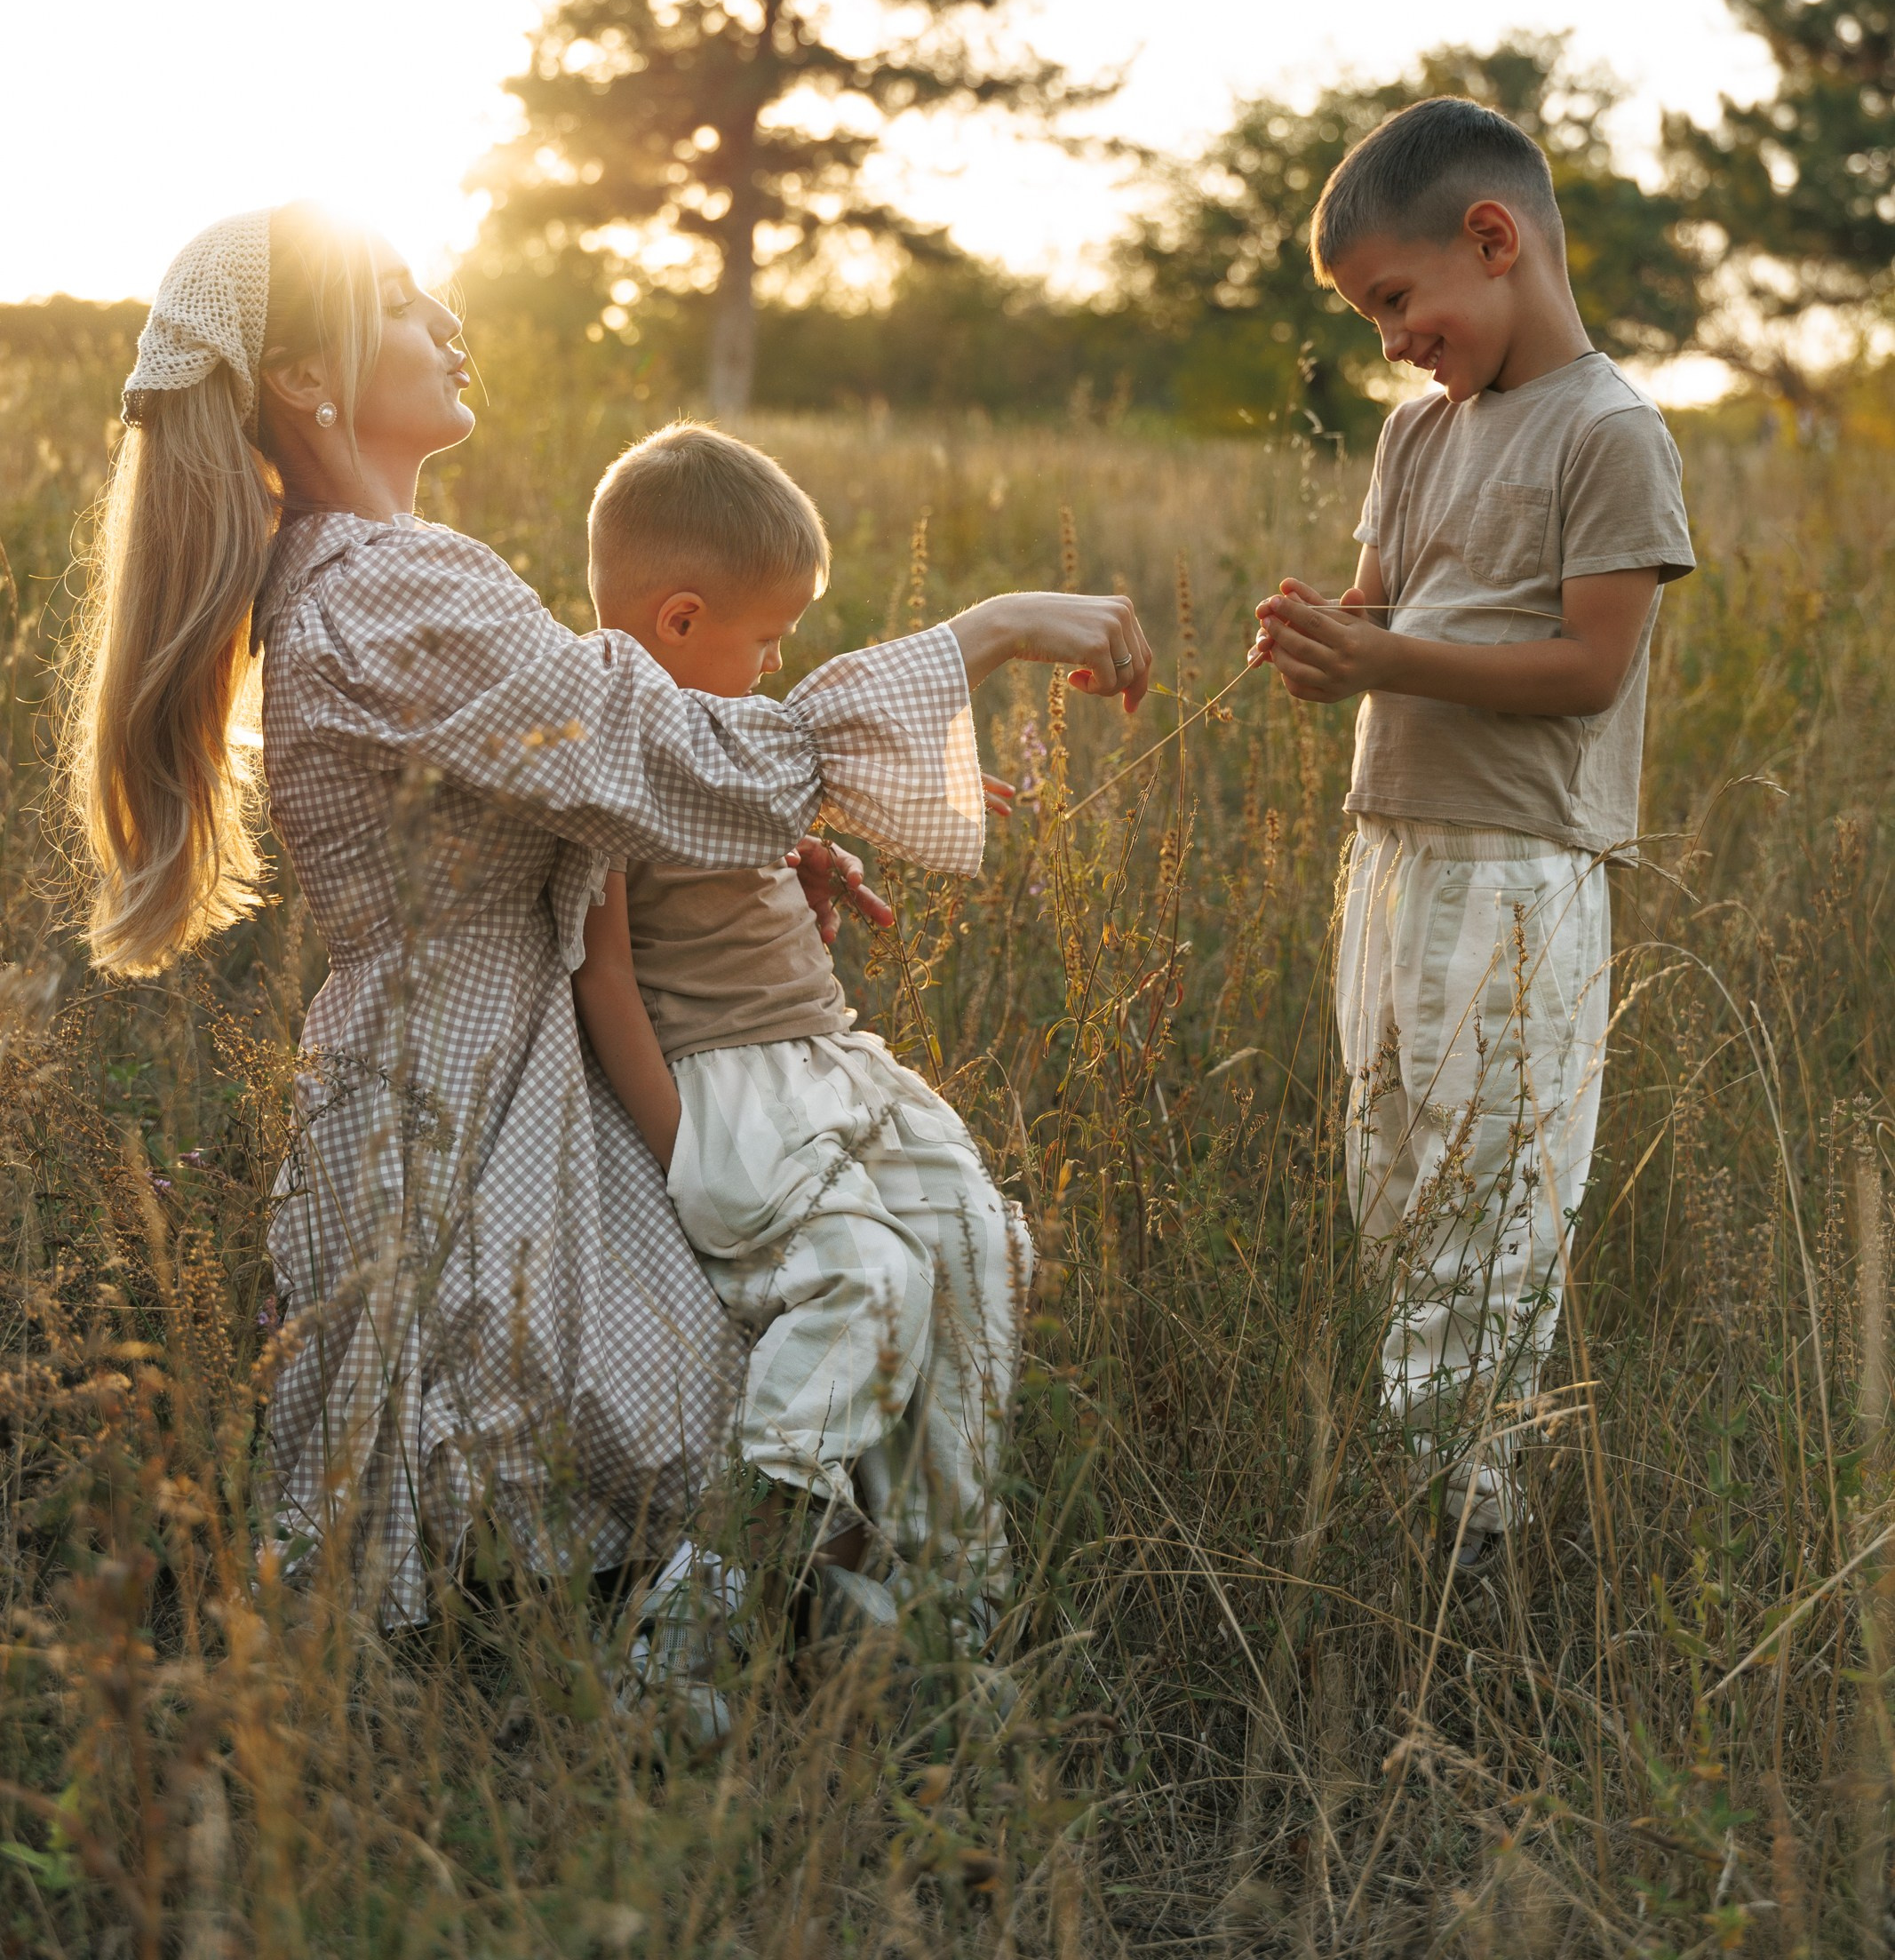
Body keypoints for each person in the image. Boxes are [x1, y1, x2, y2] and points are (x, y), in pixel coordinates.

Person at [61, 203, 1154, 1627]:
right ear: (308, 382)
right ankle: (706, 1660)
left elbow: (579, 801)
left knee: (748, 1369)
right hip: (476, 1090)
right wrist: (985, 629)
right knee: (658, 1420)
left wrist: (739, 866)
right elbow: (682, 758)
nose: (447, 319)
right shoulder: (396, 587)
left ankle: (765, 1629)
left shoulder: (355, 577)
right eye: (399, 301)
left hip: (465, 1061)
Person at [1252, 100, 1693, 1565]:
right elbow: (1387, 604)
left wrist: (1380, 659)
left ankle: (1465, 1536)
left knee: (1491, 1197)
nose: (1390, 339)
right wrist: (1330, 630)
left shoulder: (1610, 431)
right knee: (1392, 1180)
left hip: (1516, 874)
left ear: (1490, 240)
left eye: (1396, 300)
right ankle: (1419, 1496)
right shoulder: (1413, 436)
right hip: (1387, 857)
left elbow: (1585, 671)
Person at [569, 422, 1031, 1645]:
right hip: (730, 1090)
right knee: (866, 1284)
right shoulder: (610, 751)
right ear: (678, 621)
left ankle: (935, 1577)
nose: (778, 666)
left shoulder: (717, 744)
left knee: (976, 1239)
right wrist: (676, 1149)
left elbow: (735, 811)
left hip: (832, 1063)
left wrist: (800, 842)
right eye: (765, 640)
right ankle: (711, 1609)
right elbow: (605, 973)